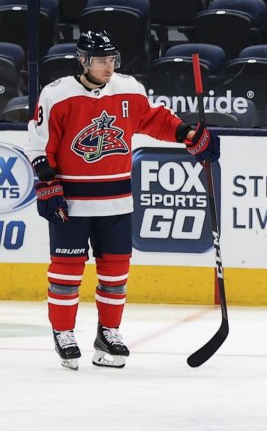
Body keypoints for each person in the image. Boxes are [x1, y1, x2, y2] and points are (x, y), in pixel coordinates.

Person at [25, 30, 220, 371]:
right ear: (83, 60)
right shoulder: (57, 94)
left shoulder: (129, 88)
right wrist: (47, 185)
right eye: (100, 60)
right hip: (72, 201)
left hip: (117, 200)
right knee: (66, 273)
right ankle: (64, 332)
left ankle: (108, 332)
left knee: (115, 273)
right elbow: (40, 144)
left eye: (111, 59)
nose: (108, 66)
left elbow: (154, 120)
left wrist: (188, 134)